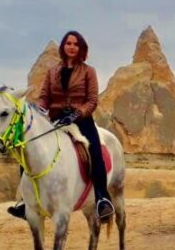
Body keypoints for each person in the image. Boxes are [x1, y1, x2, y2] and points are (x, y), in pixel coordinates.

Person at [7, 30, 115, 221]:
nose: (71, 47)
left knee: (95, 152)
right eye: (68, 43)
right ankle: (25, 201)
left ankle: (101, 198)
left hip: (81, 120)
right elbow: (44, 98)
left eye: (75, 44)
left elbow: (92, 100)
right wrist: (39, 109)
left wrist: (76, 113)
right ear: (63, 47)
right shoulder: (52, 72)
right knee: (27, 151)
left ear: (80, 48)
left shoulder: (89, 71)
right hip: (56, 120)